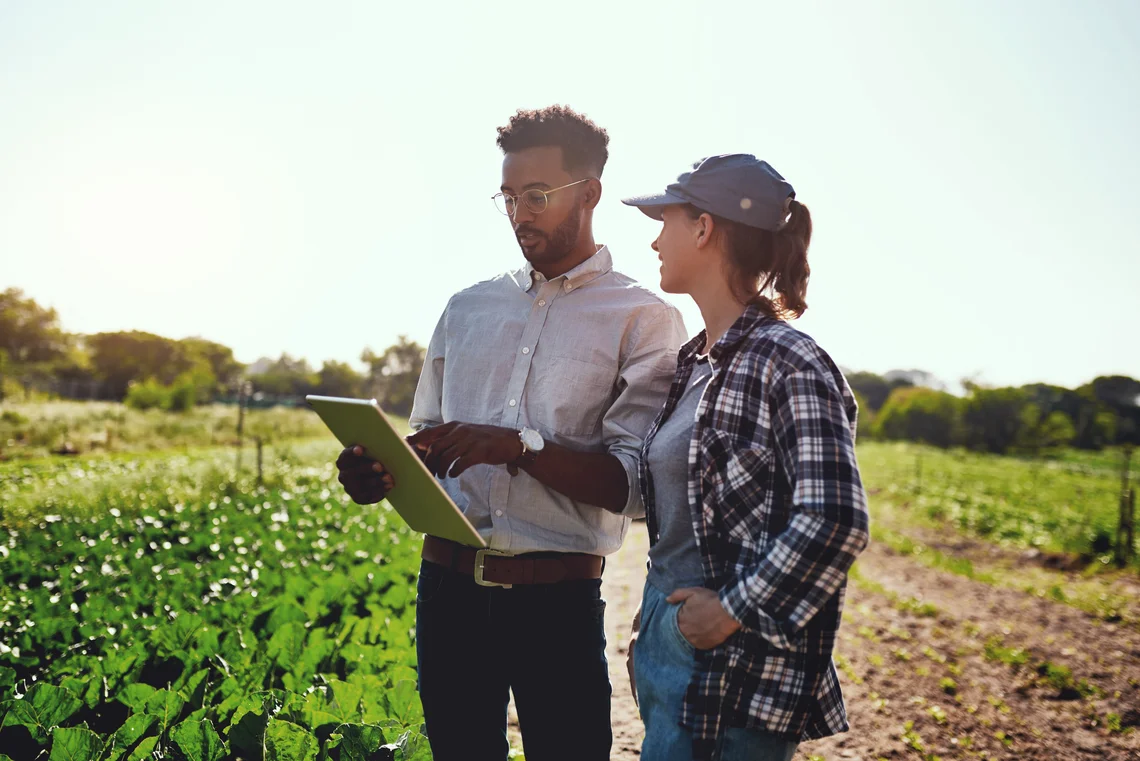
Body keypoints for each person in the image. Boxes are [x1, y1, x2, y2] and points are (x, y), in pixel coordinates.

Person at [335, 105, 687, 761]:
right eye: (509, 197)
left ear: (589, 194)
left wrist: (517, 446)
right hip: (446, 594)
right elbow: (429, 445)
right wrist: (376, 473)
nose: (521, 214)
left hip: (558, 600)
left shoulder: (644, 317)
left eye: (537, 195)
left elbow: (632, 485)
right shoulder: (467, 307)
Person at [621, 154, 871, 761]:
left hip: (730, 669)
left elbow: (835, 519)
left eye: (666, 219)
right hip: (672, 642)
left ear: (704, 229)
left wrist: (730, 611)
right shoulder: (694, 362)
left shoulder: (791, 362)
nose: (654, 238)